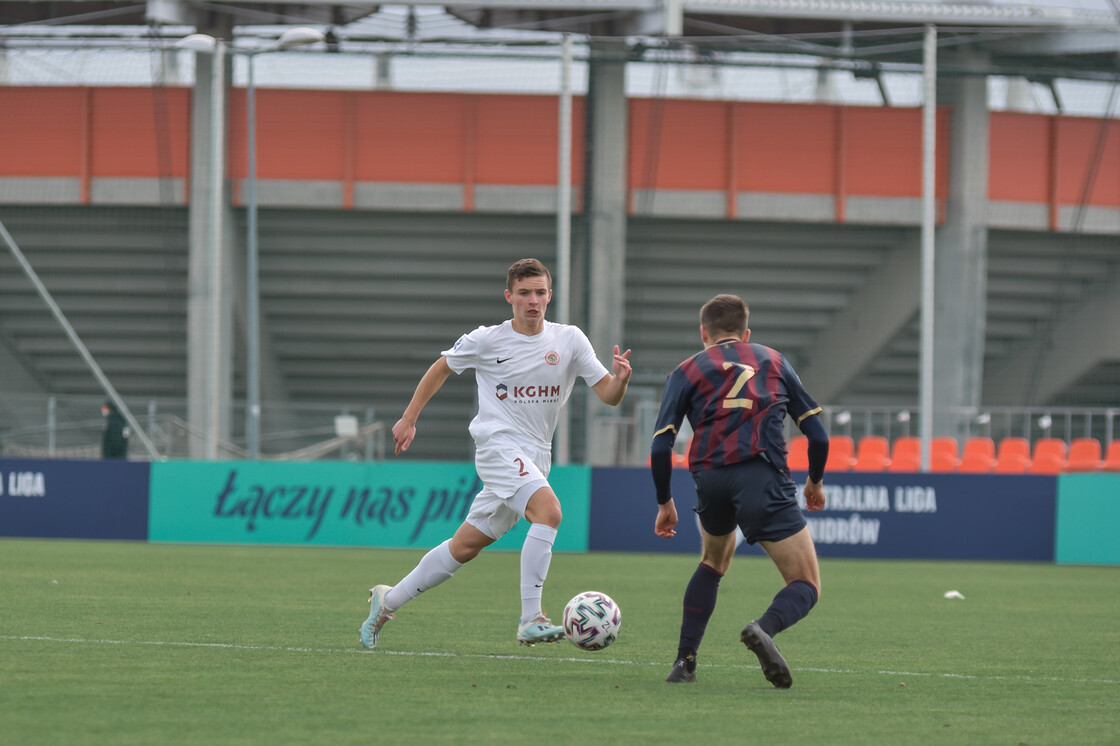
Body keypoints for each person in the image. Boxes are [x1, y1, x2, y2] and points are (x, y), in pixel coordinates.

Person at [360, 258, 632, 649]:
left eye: (540, 292)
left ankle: (388, 600)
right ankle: (531, 618)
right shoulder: (487, 339)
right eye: (524, 293)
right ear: (510, 297)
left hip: (536, 454)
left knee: (466, 546)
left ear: (550, 295)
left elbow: (607, 395)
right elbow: (441, 368)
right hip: (497, 444)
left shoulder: (570, 339)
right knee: (550, 512)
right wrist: (408, 418)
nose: (533, 301)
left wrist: (620, 381)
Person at [650, 294, 828, 688]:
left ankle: (685, 663)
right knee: (806, 583)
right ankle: (763, 628)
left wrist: (665, 502)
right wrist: (814, 481)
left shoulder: (687, 369)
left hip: (710, 478)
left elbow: (661, 445)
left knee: (713, 562)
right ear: (746, 333)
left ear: (704, 334)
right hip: (761, 474)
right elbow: (817, 433)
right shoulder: (774, 360)